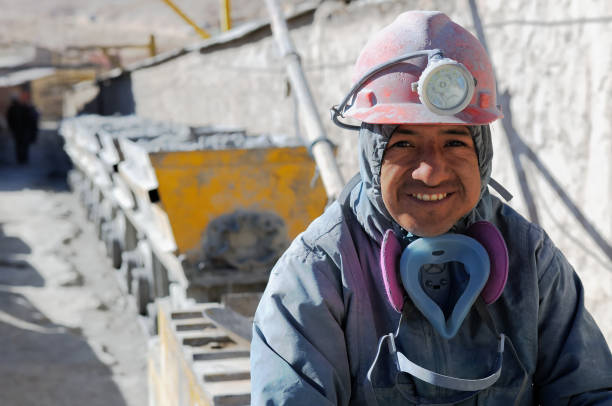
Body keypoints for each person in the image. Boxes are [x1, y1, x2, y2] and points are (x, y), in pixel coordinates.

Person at [250, 10, 612, 405]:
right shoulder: (316, 272)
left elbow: (588, 393)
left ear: (482, 152)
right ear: (372, 155)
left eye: (455, 142)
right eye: (403, 143)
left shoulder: (530, 256)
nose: (431, 172)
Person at [6, 89, 39, 164]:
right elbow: (10, 119)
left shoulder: (26, 108)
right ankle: (22, 158)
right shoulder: (18, 108)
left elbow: (32, 119)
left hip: (22, 130)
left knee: (22, 144)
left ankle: (22, 158)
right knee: (21, 144)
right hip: (20, 129)